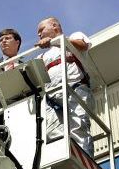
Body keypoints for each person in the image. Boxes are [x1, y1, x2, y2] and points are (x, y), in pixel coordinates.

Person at [36, 17, 95, 158]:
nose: (39, 34)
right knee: (53, 131)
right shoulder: (43, 55)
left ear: (55, 26)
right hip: (52, 96)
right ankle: (62, 157)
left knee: (78, 127)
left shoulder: (73, 37)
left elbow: (83, 45)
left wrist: (56, 40)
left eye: (41, 30)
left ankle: (85, 160)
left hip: (74, 89)